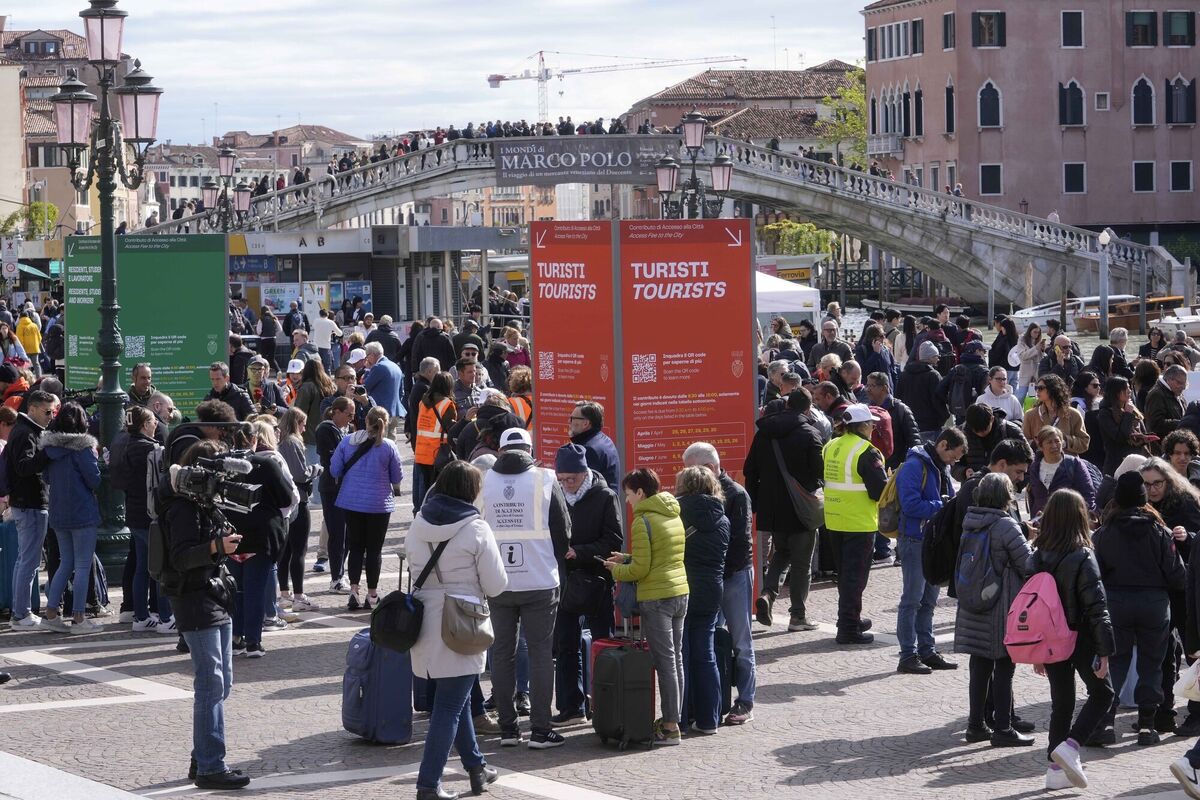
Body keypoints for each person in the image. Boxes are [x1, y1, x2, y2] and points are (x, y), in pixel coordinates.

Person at [407, 462, 508, 800]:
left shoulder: (417, 525)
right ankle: (428, 783)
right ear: (471, 492)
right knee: (449, 706)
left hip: (424, 622)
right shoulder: (476, 528)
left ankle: (477, 768)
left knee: (454, 699)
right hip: (461, 621)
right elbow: (496, 585)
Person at [159, 439, 251, 789]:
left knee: (222, 681)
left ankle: (202, 757)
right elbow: (181, 557)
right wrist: (215, 547)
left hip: (213, 594)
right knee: (210, 683)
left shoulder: (204, 501)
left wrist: (225, 543)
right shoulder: (182, 506)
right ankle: (212, 765)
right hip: (193, 598)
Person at [481, 427, 571, 750]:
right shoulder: (546, 479)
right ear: (530, 450)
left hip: (498, 581)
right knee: (540, 654)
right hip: (539, 579)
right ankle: (540, 730)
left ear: (501, 450)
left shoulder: (485, 480)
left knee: (501, 654)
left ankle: (507, 729)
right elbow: (564, 532)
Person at [1093, 471, 1186, 746]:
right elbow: (1177, 576)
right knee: (1152, 663)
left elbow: (1096, 573)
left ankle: (1106, 722)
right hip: (1154, 605)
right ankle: (1147, 725)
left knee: (1116, 662)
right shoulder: (1160, 531)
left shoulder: (1104, 533)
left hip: (1117, 603)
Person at [1034, 489, 1115, 792]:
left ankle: (1055, 771)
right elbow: (1097, 606)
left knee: (1062, 703)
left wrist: (1038, 651)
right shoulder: (1083, 555)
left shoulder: (1038, 553)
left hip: (1051, 639)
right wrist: (1105, 650)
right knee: (1103, 693)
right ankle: (1071, 745)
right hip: (1080, 636)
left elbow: (1033, 604)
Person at [605, 468, 689, 745]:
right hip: (679, 591)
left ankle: (670, 726)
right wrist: (627, 557)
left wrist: (615, 569)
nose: (627, 500)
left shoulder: (642, 521)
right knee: (675, 659)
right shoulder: (671, 512)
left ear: (640, 492)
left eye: (628, 495)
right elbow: (661, 555)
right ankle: (674, 719)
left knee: (664, 663)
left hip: (657, 598)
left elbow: (641, 570)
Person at [955, 472, 1036, 747]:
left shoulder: (970, 522)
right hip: (1000, 606)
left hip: (973, 606)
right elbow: (1028, 564)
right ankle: (1003, 728)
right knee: (1004, 666)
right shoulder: (1005, 525)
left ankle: (975, 725)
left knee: (978, 667)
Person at [682, 441, 756, 724]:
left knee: (741, 641)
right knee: (711, 642)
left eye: (691, 469)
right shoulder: (696, 496)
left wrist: (715, 570)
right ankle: (716, 700)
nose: (688, 475)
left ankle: (746, 700)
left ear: (710, 468)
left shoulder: (736, 494)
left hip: (733, 575)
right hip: (711, 578)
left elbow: (740, 542)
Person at [551, 443, 622, 725]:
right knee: (566, 644)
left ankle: (606, 704)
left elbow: (614, 541)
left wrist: (578, 551)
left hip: (596, 579)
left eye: (572, 479)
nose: (567, 485)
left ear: (585, 474)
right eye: (562, 480)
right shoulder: (553, 494)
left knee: (603, 642)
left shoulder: (604, 496)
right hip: (567, 581)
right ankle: (572, 707)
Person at [743, 388, 824, 630]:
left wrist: (757, 504)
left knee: (781, 553)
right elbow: (819, 473)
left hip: (772, 508)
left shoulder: (764, 433)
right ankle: (798, 616)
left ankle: (767, 594)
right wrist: (810, 490)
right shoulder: (810, 433)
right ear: (808, 409)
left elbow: (750, 470)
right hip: (800, 508)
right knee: (802, 563)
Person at [895, 427, 966, 674]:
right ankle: (907, 655)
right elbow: (910, 505)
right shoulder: (915, 466)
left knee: (928, 601)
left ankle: (927, 650)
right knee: (912, 601)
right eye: (953, 456)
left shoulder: (939, 466)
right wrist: (943, 505)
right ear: (943, 444)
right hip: (915, 540)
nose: (954, 462)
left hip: (932, 542)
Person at [224, 423, 298, 658]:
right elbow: (287, 497)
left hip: (230, 534)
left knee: (236, 589)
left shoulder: (222, 463)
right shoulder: (266, 464)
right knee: (255, 589)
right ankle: (254, 642)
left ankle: (236, 638)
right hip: (260, 535)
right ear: (254, 440)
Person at [822, 404, 888, 645]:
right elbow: (879, 491)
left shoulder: (831, 446)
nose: (873, 427)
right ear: (863, 426)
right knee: (855, 578)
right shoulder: (867, 452)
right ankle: (849, 628)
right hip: (858, 522)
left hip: (834, 518)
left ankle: (849, 618)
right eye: (871, 423)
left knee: (846, 575)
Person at [673, 466, 729, 736]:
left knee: (681, 654)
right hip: (711, 589)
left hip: (682, 587)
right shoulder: (723, 519)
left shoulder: (675, 516)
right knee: (706, 654)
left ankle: (680, 719)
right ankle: (709, 720)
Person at [332, 407, 404, 611]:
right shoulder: (388, 446)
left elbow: (335, 469)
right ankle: (372, 594)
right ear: (386, 423)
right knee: (374, 550)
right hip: (379, 504)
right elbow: (397, 477)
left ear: (366, 421)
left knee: (355, 546)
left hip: (351, 501)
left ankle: (353, 590)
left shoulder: (347, 441)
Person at [38, 402, 102, 634]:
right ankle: (78, 618)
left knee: (66, 562)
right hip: (82, 511)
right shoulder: (83, 449)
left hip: (58, 511)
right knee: (83, 564)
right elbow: (94, 479)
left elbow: (46, 476)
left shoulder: (50, 450)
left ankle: (51, 613)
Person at [112, 405, 174, 632]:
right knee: (160, 567)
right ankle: (166, 618)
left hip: (133, 513)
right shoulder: (153, 449)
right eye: (152, 421)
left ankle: (140, 617)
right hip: (151, 515)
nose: (156, 423)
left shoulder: (123, 444)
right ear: (143, 425)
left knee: (141, 566)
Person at [6, 389, 58, 630]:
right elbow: (24, 467)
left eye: (53, 411)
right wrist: (47, 453)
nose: (51, 416)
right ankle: (21, 613)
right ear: (34, 409)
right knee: (28, 561)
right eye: (48, 411)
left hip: (26, 502)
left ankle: (20, 611)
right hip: (30, 503)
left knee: (24, 560)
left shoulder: (24, 430)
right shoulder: (26, 433)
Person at [276, 409, 318, 614]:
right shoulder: (292, 443)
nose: (304, 428)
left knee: (286, 551)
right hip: (298, 500)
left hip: (284, 501)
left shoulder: (282, 442)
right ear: (296, 423)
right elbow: (301, 474)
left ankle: (285, 593)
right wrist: (316, 469)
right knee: (299, 550)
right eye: (303, 424)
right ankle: (299, 595)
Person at [315, 397, 354, 590]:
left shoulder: (347, 430)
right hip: (331, 488)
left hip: (346, 488)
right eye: (348, 414)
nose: (351, 419)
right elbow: (331, 458)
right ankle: (336, 578)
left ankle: (340, 573)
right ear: (336, 412)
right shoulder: (325, 429)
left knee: (346, 535)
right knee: (337, 532)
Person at [1027, 425, 1096, 518]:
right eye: (1049, 442)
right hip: (1042, 523)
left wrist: (1087, 517)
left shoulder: (1074, 464)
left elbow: (1088, 494)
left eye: (1057, 441)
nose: (1054, 446)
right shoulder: (1034, 467)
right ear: (1040, 445)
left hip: (1069, 522)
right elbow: (1034, 498)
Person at [413, 372, 457, 512]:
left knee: (422, 491)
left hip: (421, 452)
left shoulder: (423, 402)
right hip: (437, 454)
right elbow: (451, 428)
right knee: (434, 492)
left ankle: (420, 516)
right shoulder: (447, 404)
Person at [864, 370, 920, 471]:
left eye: (872, 386)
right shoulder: (866, 411)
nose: (867, 389)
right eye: (867, 385)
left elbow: (914, 440)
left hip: (896, 469)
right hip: (872, 469)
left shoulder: (901, 410)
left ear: (884, 388)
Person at [1023, 374, 1090, 456]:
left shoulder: (1073, 414)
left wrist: (1064, 442)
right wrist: (1036, 443)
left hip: (1067, 464)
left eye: (1040, 388)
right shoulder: (1030, 415)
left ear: (1053, 389)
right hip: (1041, 463)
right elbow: (1023, 441)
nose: (1037, 391)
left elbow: (1084, 443)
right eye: (1036, 388)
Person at [896, 341, 950, 442]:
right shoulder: (933, 375)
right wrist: (944, 417)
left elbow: (898, 398)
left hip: (910, 426)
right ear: (929, 358)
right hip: (931, 425)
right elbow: (939, 400)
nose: (938, 359)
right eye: (936, 356)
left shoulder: (904, 375)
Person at [955, 404, 1024, 482]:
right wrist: (964, 472)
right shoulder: (961, 434)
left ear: (992, 419)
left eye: (985, 429)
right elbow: (953, 463)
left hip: (1003, 486)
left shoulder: (1010, 430)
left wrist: (1016, 485)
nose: (981, 433)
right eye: (976, 431)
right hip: (973, 486)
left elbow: (1028, 460)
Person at [1096, 376, 1151, 475]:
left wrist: (1144, 438)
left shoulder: (1131, 408)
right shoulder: (1105, 413)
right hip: (1118, 464)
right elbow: (1120, 437)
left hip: (1138, 461)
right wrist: (1127, 415)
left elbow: (1141, 431)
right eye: (1126, 389)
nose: (1130, 391)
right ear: (1117, 393)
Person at [568, 401, 619, 487]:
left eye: (572, 418)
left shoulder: (588, 450)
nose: (569, 421)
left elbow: (581, 488)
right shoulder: (604, 440)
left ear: (585, 423)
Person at [362, 341, 405, 427]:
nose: (367, 360)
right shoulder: (395, 366)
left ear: (371, 355)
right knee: (392, 440)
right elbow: (401, 392)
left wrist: (367, 370)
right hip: (395, 412)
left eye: (367, 357)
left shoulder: (378, 367)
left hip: (381, 412)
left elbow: (365, 386)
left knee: (380, 439)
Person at [1146, 365, 1189, 445]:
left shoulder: (1176, 393)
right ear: (1169, 379)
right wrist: (1183, 422)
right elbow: (1156, 424)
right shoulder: (1157, 394)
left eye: (1185, 383)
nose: (1183, 387)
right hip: (1163, 446)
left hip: (1176, 443)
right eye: (1179, 383)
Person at [1015, 323, 1048, 402]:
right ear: (1030, 331)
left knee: (1037, 398)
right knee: (1020, 397)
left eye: (1038, 332)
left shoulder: (1038, 342)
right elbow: (1023, 356)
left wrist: (1043, 350)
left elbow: (1041, 359)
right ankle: (1018, 413)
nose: (1036, 334)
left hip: (1036, 374)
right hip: (1025, 373)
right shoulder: (1022, 340)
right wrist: (1036, 348)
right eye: (1035, 332)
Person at [309, 308, 342, 373]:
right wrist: (334, 332)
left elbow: (314, 327)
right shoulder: (331, 322)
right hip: (326, 347)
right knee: (327, 367)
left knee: (316, 367)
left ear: (320, 314)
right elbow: (340, 333)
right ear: (327, 314)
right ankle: (327, 382)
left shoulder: (316, 321)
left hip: (316, 347)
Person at [256, 308, 280, 373]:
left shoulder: (261, 319)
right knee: (272, 358)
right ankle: (278, 371)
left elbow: (259, 331)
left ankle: (263, 373)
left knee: (263, 357)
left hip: (264, 340)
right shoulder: (274, 318)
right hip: (273, 340)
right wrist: (274, 332)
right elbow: (280, 329)